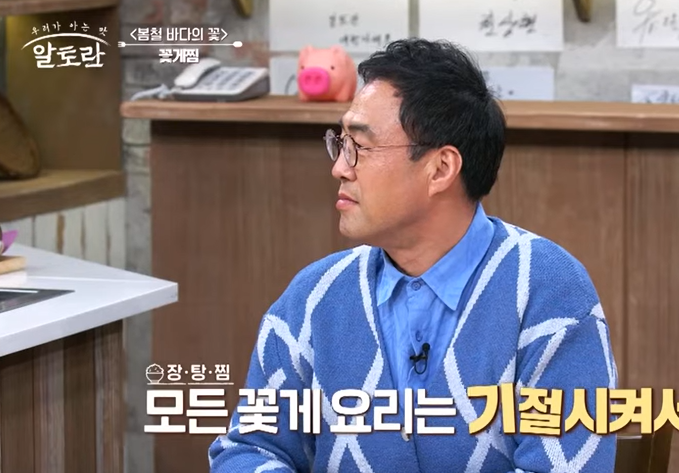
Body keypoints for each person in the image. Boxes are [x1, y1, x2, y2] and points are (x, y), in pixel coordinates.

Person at [208, 38, 618, 473]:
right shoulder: (314, 295)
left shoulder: (547, 290)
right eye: (340, 143)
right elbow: (248, 450)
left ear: (440, 168)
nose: (339, 167)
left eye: (360, 146)